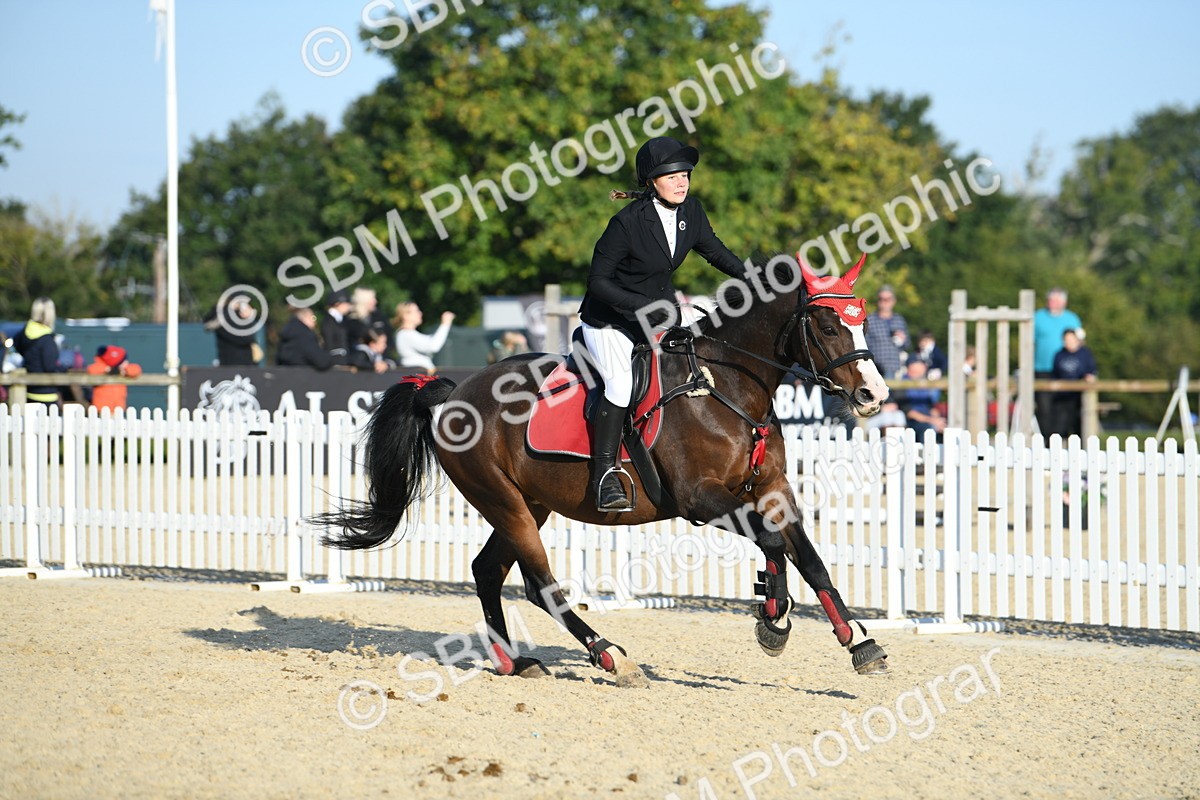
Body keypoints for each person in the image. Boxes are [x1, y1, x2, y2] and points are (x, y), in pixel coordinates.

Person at [578, 135, 749, 512]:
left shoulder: (691, 212)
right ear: (652, 181)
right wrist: (646, 308)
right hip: (609, 322)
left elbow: (716, 252)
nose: (682, 181)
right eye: (673, 175)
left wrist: (755, 277)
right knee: (621, 386)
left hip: (658, 315)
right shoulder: (626, 223)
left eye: (685, 174)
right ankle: (605, 474)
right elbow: (598, 283)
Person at [1034, 287, 1082, 433]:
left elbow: (1080, 343)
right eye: (1050, 299)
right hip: (1042, 369)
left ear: (1064, 302)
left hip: (1067, 370)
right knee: (1044, 408)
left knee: (1065, 408)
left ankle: (1064, 437)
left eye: (1056, 300)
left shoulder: (1072, 318)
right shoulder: (1038, 317)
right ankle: (1046, 440)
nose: (1052, 303)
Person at [12, 297, 65, 408]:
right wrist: (63, 370)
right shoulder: (47, 339)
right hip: (46, 393)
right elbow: (49, 366)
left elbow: (17, 346)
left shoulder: (25, 332)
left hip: (29, 389)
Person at [1050, 328, 1097, 437]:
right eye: (1066, 340)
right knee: (1059, 427)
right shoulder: (1059, 354)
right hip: (1062, 396)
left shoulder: (1085, 353)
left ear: (1077, 340)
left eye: (1071, 339)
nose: (1069, 343)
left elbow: (1091, 372)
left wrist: (1088, 378)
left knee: (1079, 427)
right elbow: (1055, 375)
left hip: (1079, 397)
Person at [393, 302, 454, 374]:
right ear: (405, 315)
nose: (420, 313)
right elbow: (433, 346)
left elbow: (430, 341)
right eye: (416, 311)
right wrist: (445, 324)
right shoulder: (405, 334)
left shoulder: (408, 334)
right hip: (417, 377)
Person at [203, 295, 262, 366]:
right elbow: (247, 338)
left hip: (241, 363)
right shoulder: (224, 316)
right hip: (233, 364)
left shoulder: (225, 315)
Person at [865, 285, 908, 379]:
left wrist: (903, 339)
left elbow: (907, 345)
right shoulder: (870, 320)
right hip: (875, 370)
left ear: (893, 301)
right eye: (881, 299)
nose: (884, 302)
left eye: (887, 299)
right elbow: (863, 345)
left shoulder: (899, 320)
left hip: (896, 370)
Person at [895, 359, 946, 439]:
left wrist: (938, 420)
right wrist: (932, 420)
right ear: (911, 367)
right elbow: (909, 413)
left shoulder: (923, 383)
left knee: (946, 428)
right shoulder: (901, 385)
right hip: (913, 422)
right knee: (928, 428)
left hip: (927, 419)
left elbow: (931, 408)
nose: (924, 368)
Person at [86, 346, 142, 412]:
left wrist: (124, 370)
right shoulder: (100, 366)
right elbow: (92, 369)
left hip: (118, 407)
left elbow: (136, 370)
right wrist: (108, 369)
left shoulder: (123, 369)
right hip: (101, 407)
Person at [320, 291, 354, 365]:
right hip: (336, 362)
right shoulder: (328, 322)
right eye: (346, 303)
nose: (349, 306)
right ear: (337, 304)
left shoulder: (343, 320)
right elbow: (329, 344)